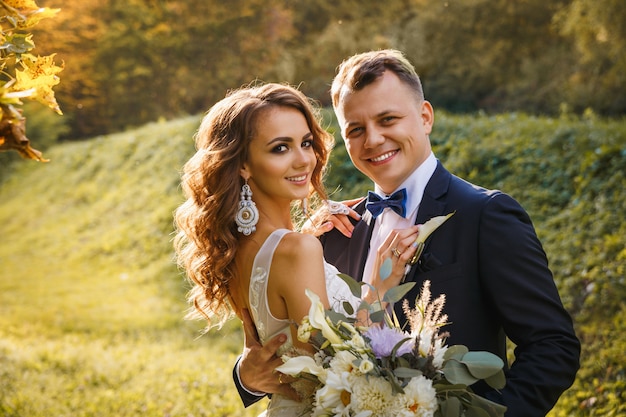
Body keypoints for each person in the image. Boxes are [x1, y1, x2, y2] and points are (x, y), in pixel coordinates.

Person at [234, 50, 581, 416]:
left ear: (425, 117)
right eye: (355, 129)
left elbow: (552, 345)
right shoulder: (331, 230)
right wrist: (246, 376)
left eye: (388, 119)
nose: (373, 139)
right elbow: (298, 352)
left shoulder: (486, 215)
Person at [173, 82, 419, 416]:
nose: (304, 160)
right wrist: (378, 289)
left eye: (305, 143)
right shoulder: (297, 249)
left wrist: (302, 234)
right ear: (243, 164)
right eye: (280, 148)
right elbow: (333, 375)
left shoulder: (241, 249)